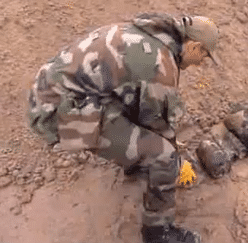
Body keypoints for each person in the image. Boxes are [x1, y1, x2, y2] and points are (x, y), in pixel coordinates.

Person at [27, 12, 220, 243]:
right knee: (163, 156)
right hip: (57, 113)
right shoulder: (160, 66)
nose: (200, 63)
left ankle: (135, 161)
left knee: (136, 113)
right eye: (204, 57)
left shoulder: (149, 36)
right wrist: (175, 161)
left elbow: (142, 105)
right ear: (196, 47)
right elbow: (158, 124)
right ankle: (159, 233)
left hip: (52, 92)